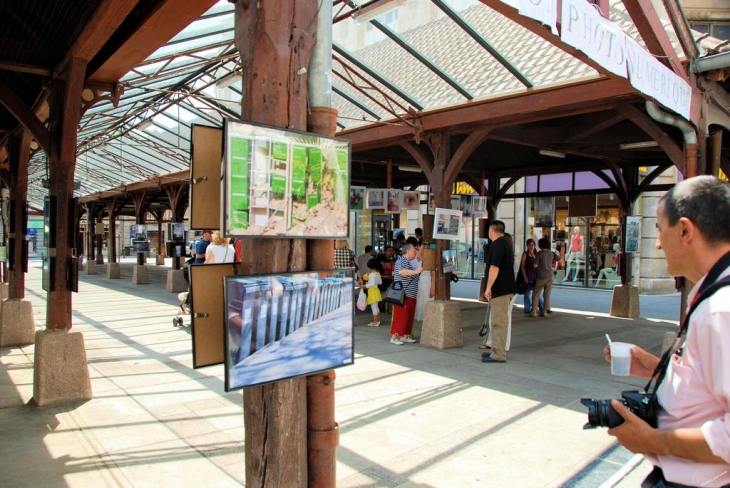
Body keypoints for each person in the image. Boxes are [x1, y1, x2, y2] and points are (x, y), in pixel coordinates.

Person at [602, 176, 730, 488]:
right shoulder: (713, 292)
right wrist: (658, 366)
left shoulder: (721, 309)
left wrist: (654, 440)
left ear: (685, 230)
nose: (657, 243)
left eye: (660, 229)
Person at [481, 221, 516, 363]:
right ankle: (495, 350)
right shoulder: (504, 243)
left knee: (498, 323)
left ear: (492, 229)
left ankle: (498, 354)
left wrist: (488, 287)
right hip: (504, 289)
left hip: (501, 290)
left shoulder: (498, 244)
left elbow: (494, 267)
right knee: (497, 322)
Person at [389, 243, 423, 345]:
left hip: (411, 294)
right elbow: (401, 272)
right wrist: (416, 271)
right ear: (407, 251)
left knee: (409, 315)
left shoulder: (409, 262)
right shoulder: (401, 260)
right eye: (414, 250)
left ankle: (405, 335)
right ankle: (394, 337)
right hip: (403, 294)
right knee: (401, 315)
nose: (415, 252)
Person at [530, 237, 554, 318]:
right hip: (550, 275)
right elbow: (559, 259)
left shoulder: (539, 254)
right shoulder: (551, 253)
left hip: (541, 276)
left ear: (540, 245)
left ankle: (534, 311)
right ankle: (545, 311)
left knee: (536, 293)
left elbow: (535, 265)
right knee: (547, 294)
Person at [520, 238, 542, 315]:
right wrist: (525, 276)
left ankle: (541, 307)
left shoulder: (537, 254)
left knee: (537, 292)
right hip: (528, 274)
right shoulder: (525, 254)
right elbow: (522, 266)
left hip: (536, 275)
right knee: (528, 292)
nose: (531, 246)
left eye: (532, 245)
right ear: (527, 246)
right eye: (529, 245)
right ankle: (527, 308)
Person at [364, 258, 383, 327]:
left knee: (373, 307)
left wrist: (365, 286)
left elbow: (371, 284)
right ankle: (378, 321)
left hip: (372, 292)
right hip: (376, 291)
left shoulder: (372, 274)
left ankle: (375, 322)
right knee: (376, 307)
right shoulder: (377, 273)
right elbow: (380, 282)